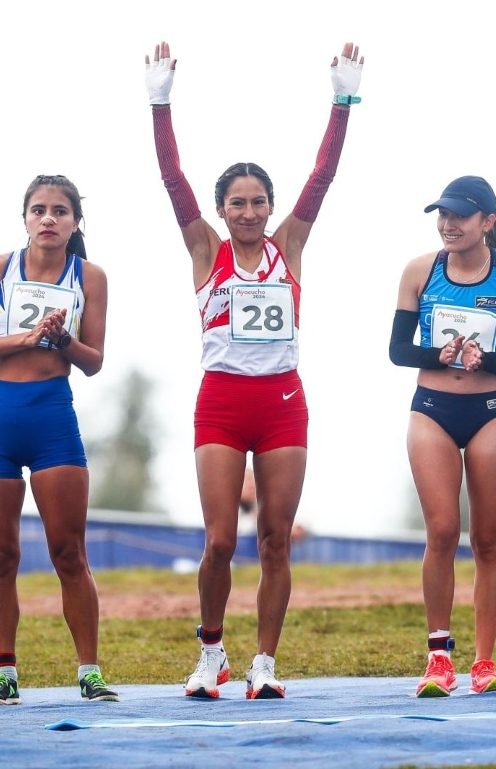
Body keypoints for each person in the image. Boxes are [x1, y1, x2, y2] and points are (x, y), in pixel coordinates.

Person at [144, 40, 363, 700]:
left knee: (274, 539)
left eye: (257, 201)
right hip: (221, 402)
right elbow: (172, 179)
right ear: (221, 210)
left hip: (282, 404)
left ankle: (263, 662)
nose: (247, 211)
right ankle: (211, 653)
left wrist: (343, 101)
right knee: (218, 540)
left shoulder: (289, 245)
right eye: (235, 202)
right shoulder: (203, 248)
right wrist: (160, 104)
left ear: (270, 207)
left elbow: (322, 177)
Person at [0, 173, 115, 705]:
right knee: (0, 556)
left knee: (69, 552)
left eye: (60, 211)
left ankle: (89, 672)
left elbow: (93, 362)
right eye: (39, 210)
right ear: (25, 219)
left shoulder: (89, 276)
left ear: (75, 222)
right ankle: (4, 673)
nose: (49, 219)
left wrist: (62, 338)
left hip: (51, 418)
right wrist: (27, 337)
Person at [388, 176, 496, 697]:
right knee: (443, 531)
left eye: (460, 216)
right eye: (442, 215)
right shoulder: (420, 270)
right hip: (432, 408)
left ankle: (484, 662)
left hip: (491, 410)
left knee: (488, 540)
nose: (449, 225)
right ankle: (437, 656)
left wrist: (483, 359)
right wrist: (442, 355)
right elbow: (398, 350)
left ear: (487, 223)